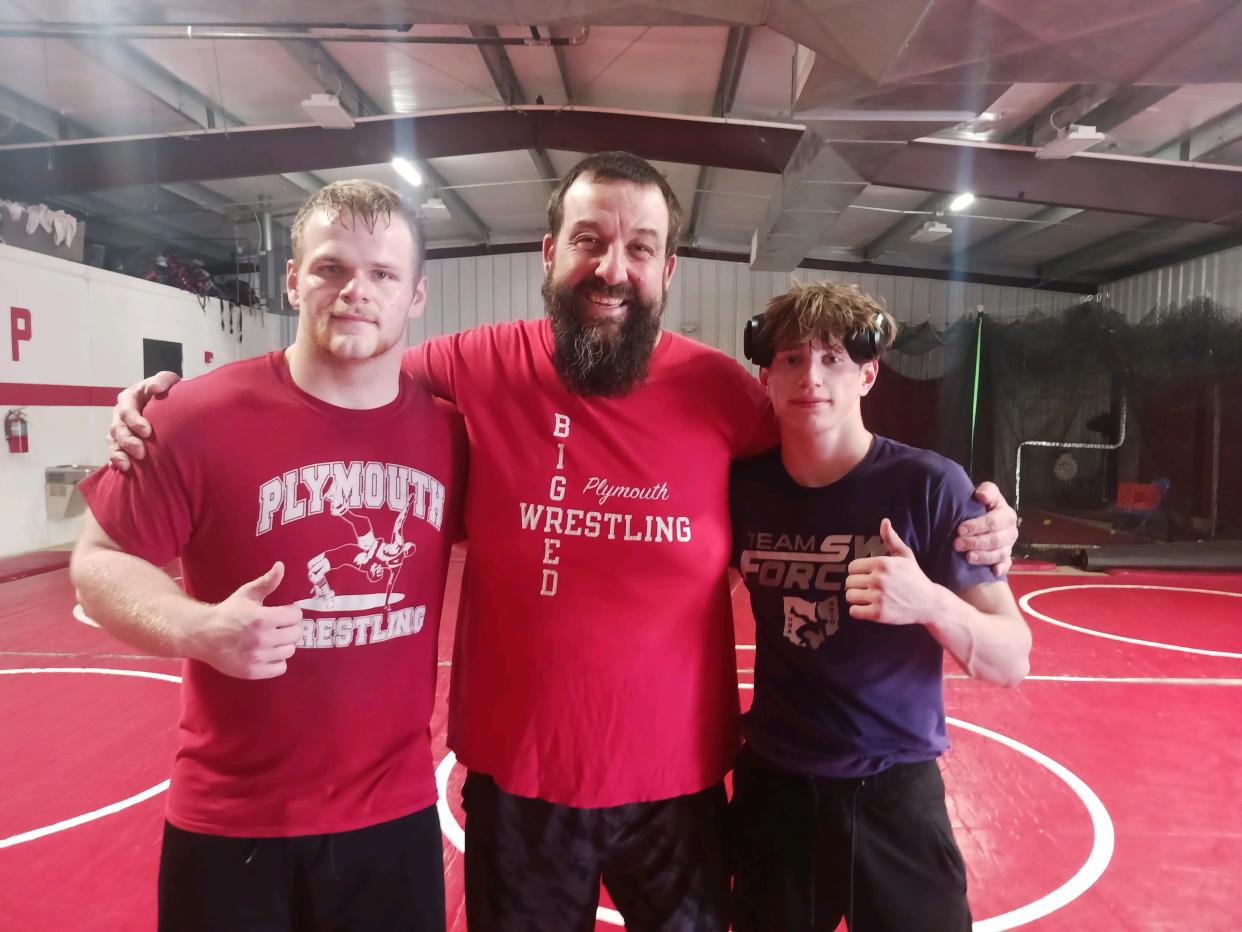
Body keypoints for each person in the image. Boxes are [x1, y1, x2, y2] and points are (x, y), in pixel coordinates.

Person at [106, 152, 1019, 931]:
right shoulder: (474, 363)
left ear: (668, 272)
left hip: (681, 790)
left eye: (639, 248)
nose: (611, 267)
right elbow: (346, 365)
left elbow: (830, 456)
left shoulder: (725, 396)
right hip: (522, 789)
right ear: (550, 254)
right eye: (589, 241)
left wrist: (972, 521)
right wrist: (174, 402)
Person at [71, 180, 465, 932]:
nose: (355, 292)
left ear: (416, 295)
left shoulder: (455, 437)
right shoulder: (194, 417)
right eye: (329, 269)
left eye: (382, 274)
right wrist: (194, 629)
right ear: (291, 280)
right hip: (232, 824)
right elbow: (97, 561)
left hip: (392, 817)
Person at [728, 281, 1032, 932]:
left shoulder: (928, 485)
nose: (811, 375)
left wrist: (930, 603)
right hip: (776, 791)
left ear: (867, 374)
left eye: (832, 357)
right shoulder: (741, 488)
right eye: (790, 358)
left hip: (893, 789)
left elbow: (1011, 658)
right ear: (766, 376)